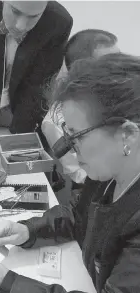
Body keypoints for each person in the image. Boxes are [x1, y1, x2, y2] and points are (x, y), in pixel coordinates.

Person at [0, 53, 140, 293]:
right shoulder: (108, 174)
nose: (65, 147)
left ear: (126, 134)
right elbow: (79, 214)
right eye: (66, 133)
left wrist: (7, 288)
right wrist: (30, 230)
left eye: (76, 135)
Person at [0, 1, 73, 145]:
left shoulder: (59, 21)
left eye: (33, 16)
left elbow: (38, 85)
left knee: (18, 152)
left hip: (31, 104)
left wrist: (19, 135)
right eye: (15, 11)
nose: (20, 26)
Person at [42, 29, 120, 185]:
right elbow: (81, 175)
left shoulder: (124, 94)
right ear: (82, 71)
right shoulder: (57, 120)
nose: (119, 68)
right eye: (110, 64)